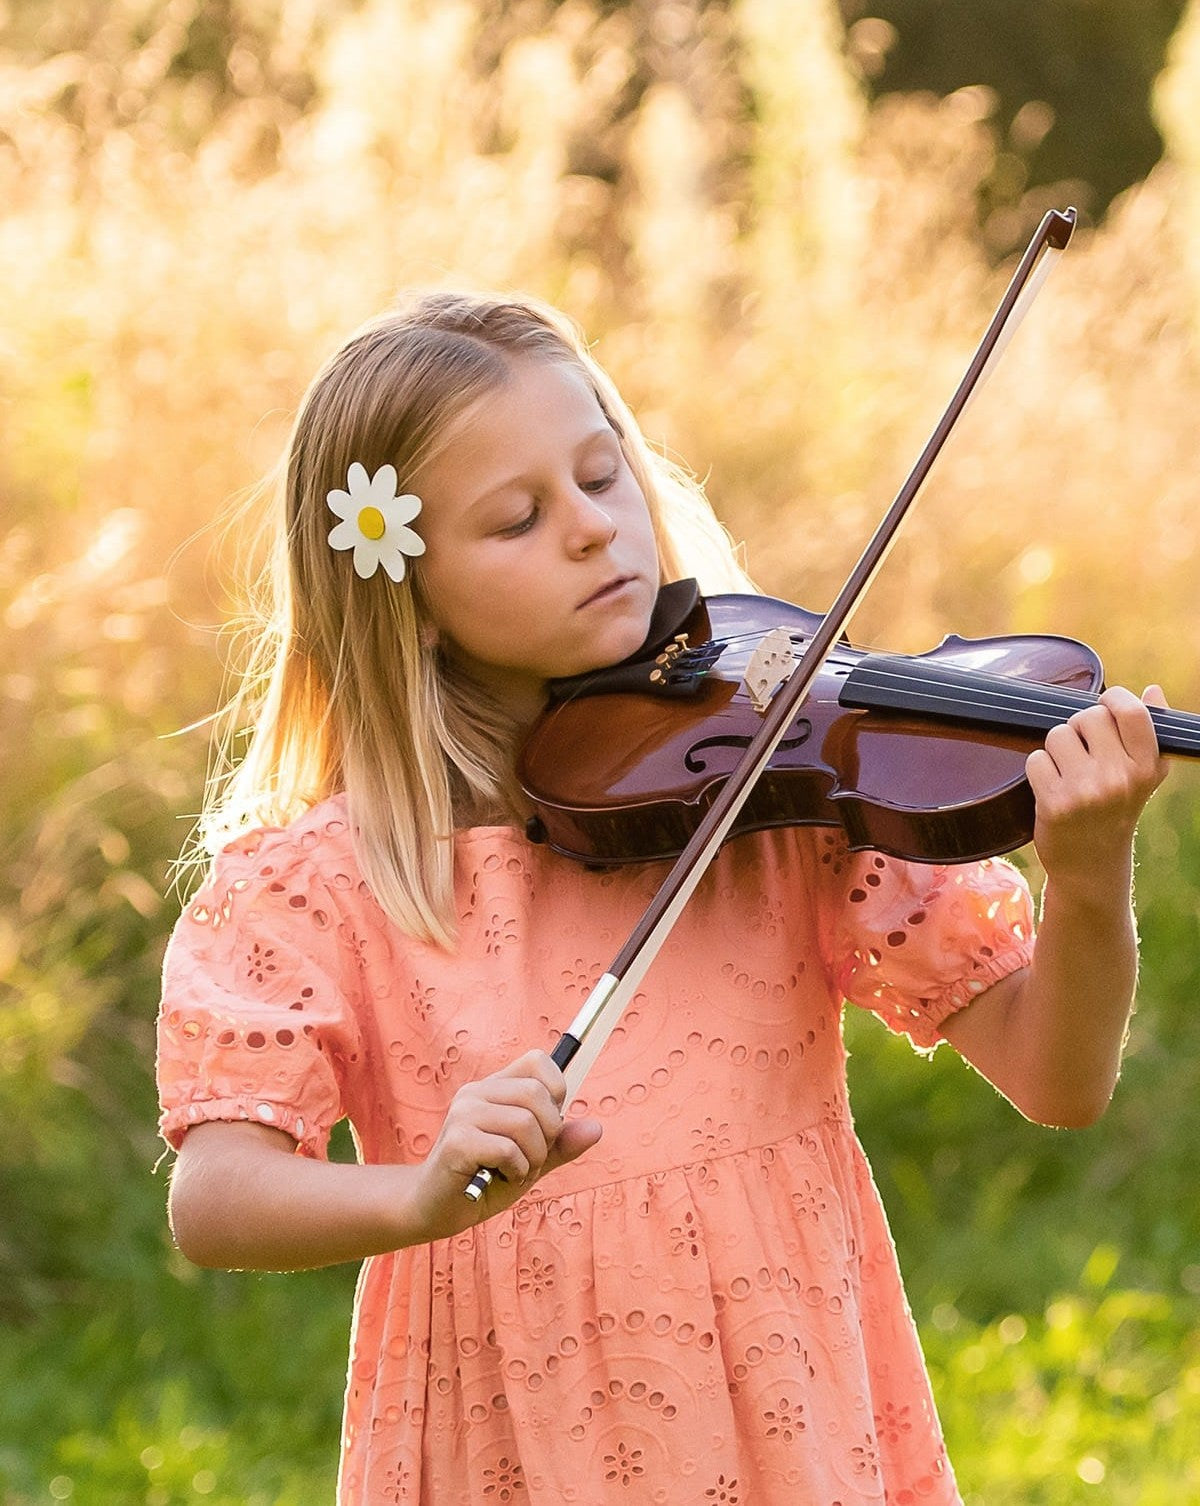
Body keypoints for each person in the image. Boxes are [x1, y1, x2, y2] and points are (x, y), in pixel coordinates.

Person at [156, 290, 1168, 1505]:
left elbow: (1059, 1082)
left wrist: (1090, 872)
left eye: (603, 476)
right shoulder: (321, 883)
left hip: (792, 1423)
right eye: (518, 517)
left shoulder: (773, 792)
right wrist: (416, 1197)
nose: (592, 530)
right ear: (400, 595)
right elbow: (216, 1197)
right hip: (509, 1449)